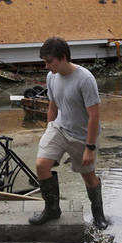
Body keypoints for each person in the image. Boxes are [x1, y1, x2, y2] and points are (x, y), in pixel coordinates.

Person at [29, 37, 109, 230]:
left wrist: (89, 148)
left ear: (63, 58)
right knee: (41, 165)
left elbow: (94, 116)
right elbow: (52, 106)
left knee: (88, 177)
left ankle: (99, 215)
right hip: (59, 129)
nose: (47, 66)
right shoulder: (51, 76)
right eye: (45, 62)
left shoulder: (85, 79)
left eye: (50, 61)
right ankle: (52, 210)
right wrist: (48, 131)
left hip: (83, 136)